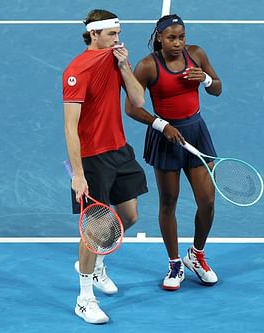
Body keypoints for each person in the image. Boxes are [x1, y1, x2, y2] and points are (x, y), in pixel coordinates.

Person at [62, 9, 148, 324]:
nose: (118, 39)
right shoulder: (77, 71)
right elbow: (70, 127)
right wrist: (78, 174)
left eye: (119, 33)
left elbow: (138, 101)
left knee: (129, 216)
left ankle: (95, 264)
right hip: (92, 159)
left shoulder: (115, 60)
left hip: (119, 151)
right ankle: (84, 299)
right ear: (94, 34)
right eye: (112, 34)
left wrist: (125, 65)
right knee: (96, 232)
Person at [125, 14, 222, 291]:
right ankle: (175, 263)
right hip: (166, 137)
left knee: (208, 201)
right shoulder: (147, 66)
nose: (178, 43)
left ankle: (197, 255)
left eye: (181, 37)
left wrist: (204, 78)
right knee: (169, 203)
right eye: (171, 38)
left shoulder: (197, 54)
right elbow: (131, 107)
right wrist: (161, 124)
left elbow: (218, 88)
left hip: (197, 134)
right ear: (159, 38)